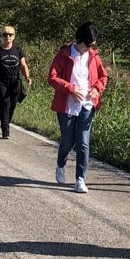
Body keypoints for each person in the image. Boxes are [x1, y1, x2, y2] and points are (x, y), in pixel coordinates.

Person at [47, 22, 109, 193]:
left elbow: (103, 76)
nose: (89, 48)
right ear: (79, 40)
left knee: (83, 142)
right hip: (66, 105)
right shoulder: (64, 55)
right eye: (87, 45)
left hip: (87, 105)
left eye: (92, 45)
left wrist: (97, 88)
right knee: (68, 142)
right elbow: (52, 77)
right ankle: (60, 165)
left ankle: (80, 179)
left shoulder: (94, 56)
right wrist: (71, 89)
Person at [0, 25, 29, 137]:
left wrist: (27, 76)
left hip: (15, 81)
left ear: (14, 36)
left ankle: (6, 122)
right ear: (2, 36)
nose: (8, 36)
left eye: (10, 34)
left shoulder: (18, 50)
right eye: (5, 34)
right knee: (5, 103)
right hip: (1, 81)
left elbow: (23, 65)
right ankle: (5, 129)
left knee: (12, 105)